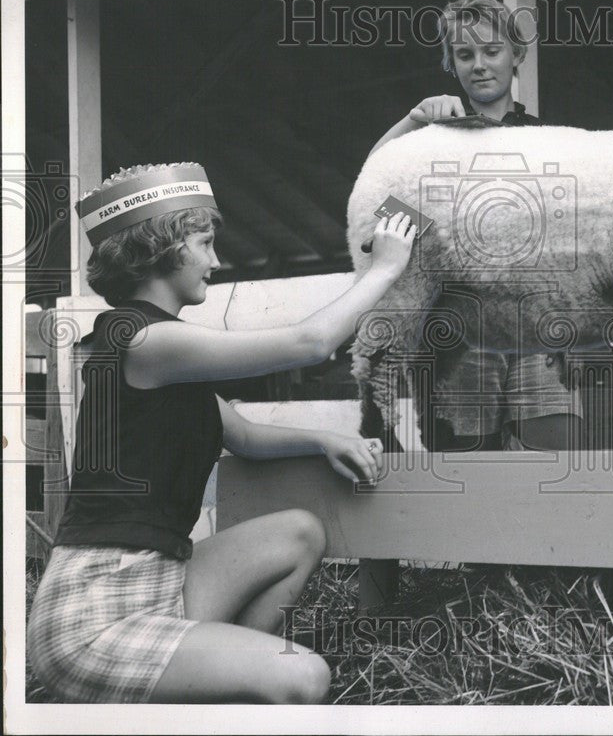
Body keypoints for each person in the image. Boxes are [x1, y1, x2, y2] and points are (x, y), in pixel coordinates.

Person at [26, 162, 415, 704]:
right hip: (95, 613)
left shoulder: (166, 355)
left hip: (162, 582)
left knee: (299, 532)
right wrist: (384, 270)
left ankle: (223, 688)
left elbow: (246, 436)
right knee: (306, 677)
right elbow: (310, 344)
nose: (215, 260)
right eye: (205, 243)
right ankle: (241, 689)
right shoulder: (145, 342)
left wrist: (327, 439)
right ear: (163, 249)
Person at [369, 0, 584, 453]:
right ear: (451, 63)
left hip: (536, 329)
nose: (480, 65)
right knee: (468, 467)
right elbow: (373, 189)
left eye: (492, 51)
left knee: (561, 455)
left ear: (516, 55)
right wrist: (411, 121)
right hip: (461, 334)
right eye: (465, 54)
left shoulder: (550, 140)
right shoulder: (430, 140)